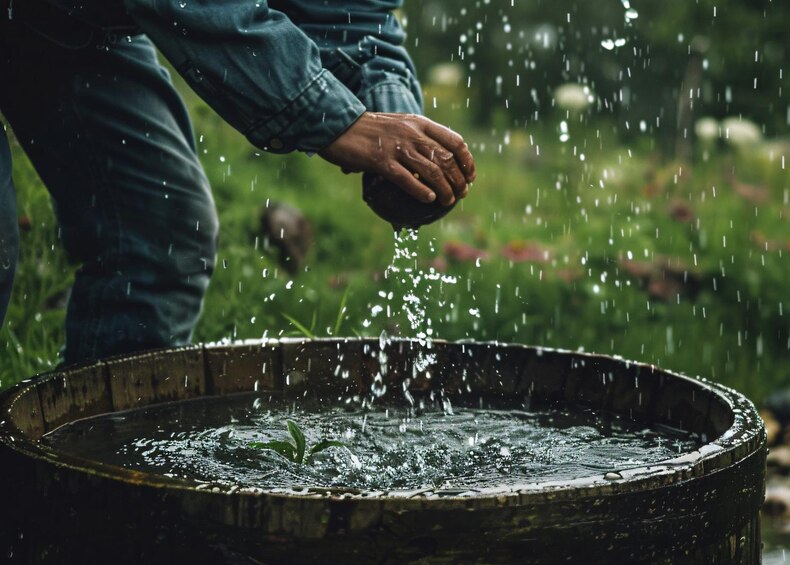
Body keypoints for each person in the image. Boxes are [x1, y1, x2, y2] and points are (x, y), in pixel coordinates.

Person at [0, 0, 476, 366]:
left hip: (80, 25)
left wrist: (398, 123)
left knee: (157, 235)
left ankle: (99, 466)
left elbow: (351, 15)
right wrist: (338, 121)